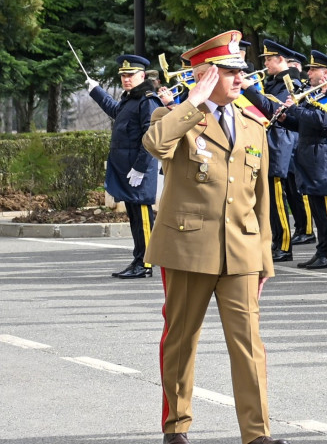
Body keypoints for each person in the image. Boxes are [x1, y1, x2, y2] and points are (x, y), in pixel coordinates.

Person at [139, 31, 284, 444]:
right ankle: (176, 427)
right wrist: (192, 102)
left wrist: (265, 259)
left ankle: (257, 435)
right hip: (187, 248)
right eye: (229, 72)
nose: (240, 79)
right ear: (204, 76)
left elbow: (261, 198)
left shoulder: (254, 124)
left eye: (241, 71)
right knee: (182, 340)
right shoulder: (175, 117)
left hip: (241, 250)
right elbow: (155, 144)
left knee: (249, 346)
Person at [87, 54, 167, 278]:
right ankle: (139, 259)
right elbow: (116, 111)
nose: (126, 79)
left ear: (142, 75)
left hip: (139, 170)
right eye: (123, 75)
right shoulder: (131, 99)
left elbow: (151, 136)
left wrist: (141, 167)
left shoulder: (147, 100)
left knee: (143, 219)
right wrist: (96, 91)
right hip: (129, 170)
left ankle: (146, 264)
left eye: (130, 75)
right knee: (135, 219)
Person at [286, 50, 327, 269]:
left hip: (324, 153)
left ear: (325, 73)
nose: (308, 73)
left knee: (325, 206)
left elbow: (323, 120)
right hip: (309, 151)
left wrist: (294, 109)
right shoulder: (312, 92)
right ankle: (321, 250)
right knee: (315, 205)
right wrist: (286, 118)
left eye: (313, 69)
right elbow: (304, 124)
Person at [258, 40, 308, 263]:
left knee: (278, 198)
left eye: (269, 59)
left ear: (281, 60)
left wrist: (250, 91)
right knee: (271, 199)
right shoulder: (273, 82)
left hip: (281, 144)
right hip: (272, 143)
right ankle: (277, 241)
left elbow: (274, 109)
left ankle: (284, 245)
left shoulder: (290, 81)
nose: (266, 63)